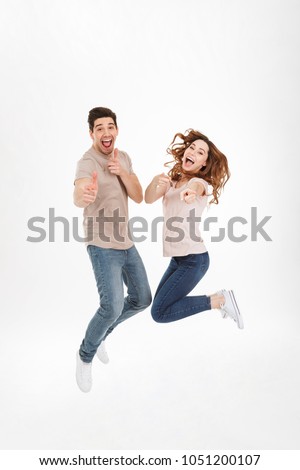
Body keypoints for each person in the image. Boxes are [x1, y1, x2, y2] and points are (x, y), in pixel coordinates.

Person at [73, 107, 152, 392]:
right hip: (101, 243)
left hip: (126, 242)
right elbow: (79, 193)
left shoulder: (124, 158)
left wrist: (122, 173)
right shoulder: (87, 162)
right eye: (99, 128)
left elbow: (139, 195)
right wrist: (85, 194)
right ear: (91, 133)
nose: (106, 132)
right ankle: (85, 355)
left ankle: (104, 332)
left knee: (143, 298)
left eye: (110, 127)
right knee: (112, 306)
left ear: (116, 130)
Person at [145, 129, 244, 328]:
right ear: (184, 152)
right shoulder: (171, 183)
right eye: (192, 148)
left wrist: (190, 193)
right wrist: (155, 181)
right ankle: (219, 300)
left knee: (159, 312)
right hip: (179, 260)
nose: (193, 152)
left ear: (204, 163)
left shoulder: (199, 183)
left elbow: (195, 188)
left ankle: (220, 300)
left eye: (201, 152)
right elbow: (147, 199)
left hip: (194, 260)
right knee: (159, 307)